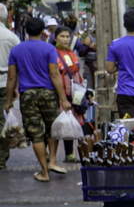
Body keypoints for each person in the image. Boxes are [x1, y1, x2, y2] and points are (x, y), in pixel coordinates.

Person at [3, 16, 71, 182]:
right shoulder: (49, 49)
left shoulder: (17, 50)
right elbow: (54, 74)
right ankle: (53, 161)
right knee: (52, 128)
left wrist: (8, 100)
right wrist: (63, 98)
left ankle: (44, 171)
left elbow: (12, 78)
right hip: (48, 93)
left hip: (28, 95)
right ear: (43, 32)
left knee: (36, 134)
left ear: (26, 31)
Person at [53, 26, 85, 164]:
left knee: (78, 122)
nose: (65, 39)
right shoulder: (53, 53)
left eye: (67, 36)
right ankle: (68, 154)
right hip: (62, 94)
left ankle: (82, 154)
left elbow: (78, 73)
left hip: (76, 94)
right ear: (56, 38)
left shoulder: (72, 53)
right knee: (65, 124)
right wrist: (62, 96)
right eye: (62, 36)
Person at [0, 2, 20, 171]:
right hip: (5, 83)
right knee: (2, 121)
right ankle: (1, 158)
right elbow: (17, 66)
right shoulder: (11, 37)